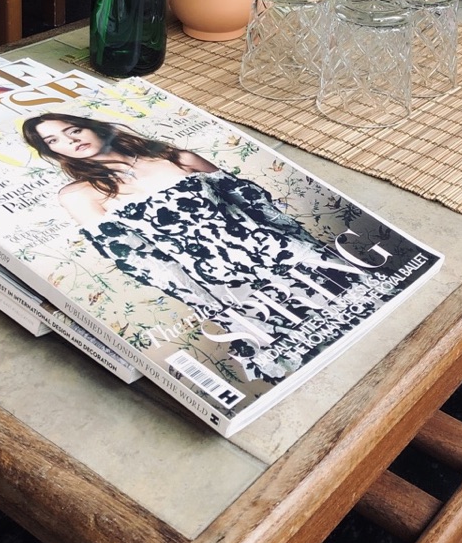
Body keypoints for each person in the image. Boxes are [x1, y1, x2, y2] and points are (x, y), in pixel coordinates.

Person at [23, 113, 376, 368]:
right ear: (53, 153)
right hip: (225, 284)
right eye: (54, 141)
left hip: (291, 255)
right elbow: (140, 260)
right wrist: (208, 302)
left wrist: (310, 250)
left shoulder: (176, 157)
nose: (70, 141)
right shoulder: (79, 195)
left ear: (96, 128)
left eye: (73, 130)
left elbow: (259, 207)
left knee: (371, 325)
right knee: (311, 357)